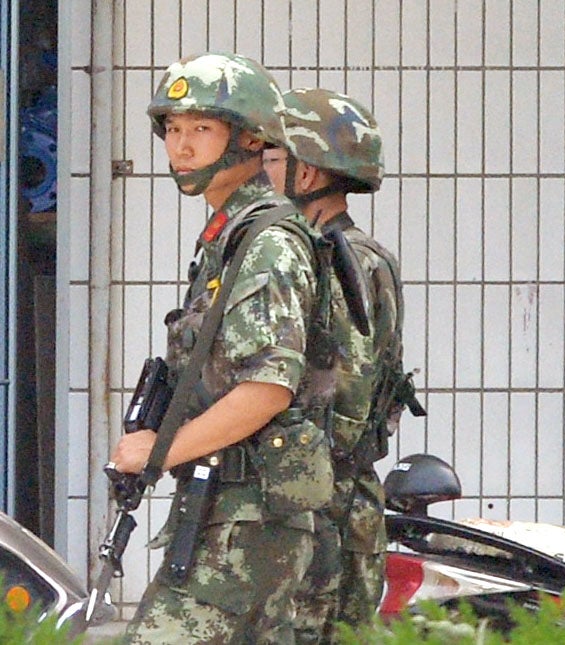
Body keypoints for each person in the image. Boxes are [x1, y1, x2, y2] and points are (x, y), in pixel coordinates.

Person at [110, 52, 339, 643]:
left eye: (202, 129)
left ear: (250, 139)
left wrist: (159, 451)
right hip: (229, 509)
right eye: (173, 129)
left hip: (250, 520)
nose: (182, 147)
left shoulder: (266, 242)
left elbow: (266, 389)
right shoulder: (230, 237)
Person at [264, 88, 417, 640]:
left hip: (320, 515)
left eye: (272, 158)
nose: (262, 172)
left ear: (306, 174)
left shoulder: (332, 262)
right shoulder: (364, 256)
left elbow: (340, 406)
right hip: (345, 507)